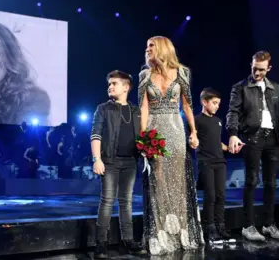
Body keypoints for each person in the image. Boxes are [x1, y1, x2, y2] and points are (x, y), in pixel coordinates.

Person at [138, 36, 204, 255]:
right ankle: (160, 234)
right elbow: (144, 108)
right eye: (146, 47)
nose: (147, 50)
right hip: (154, 130)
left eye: (151, 46)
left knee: (179, 180)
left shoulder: (183, 73)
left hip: (176, 131)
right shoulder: (144, 75)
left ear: (163, 48)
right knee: (158, 180)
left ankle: (181, 233)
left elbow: (187, 105)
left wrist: (193, 132)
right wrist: (143, 136)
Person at [226, 50, 279, 241]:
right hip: (252, 137)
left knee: (270, 183)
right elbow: (233, 112)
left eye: (261, 70)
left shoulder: (275, 88)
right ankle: (248, 226)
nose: (257, 73)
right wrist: (233, 134)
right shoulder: (240, 87)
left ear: (268, 68)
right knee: (251, 181)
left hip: (272, 138)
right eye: (254, 68)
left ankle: (269, 224)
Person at [90, 70, 146, 259]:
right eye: (109, 84)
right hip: (110, 161)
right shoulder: (103, 109)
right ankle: (101, 243)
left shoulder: (136, 111)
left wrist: (146, 151)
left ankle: (128, 240)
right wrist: (97, 159)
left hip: (130, 162)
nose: (110, 86)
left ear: (126, 87)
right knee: (107, 201)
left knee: (126, 202)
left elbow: (143, 135)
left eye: (114, 83)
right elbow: (95, 134)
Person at [195, 88, 235, 244]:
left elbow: (216, 142)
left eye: (218, 103)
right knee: (210, 196)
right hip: (206, 161)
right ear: (204, 102)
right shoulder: (197, 120)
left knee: (220, 196)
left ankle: (220, 226)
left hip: (220, 162)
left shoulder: (218, 121)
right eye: (214, 103)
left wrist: (229, 147)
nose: (217, 106)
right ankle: (209, 228)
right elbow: (193, 139)